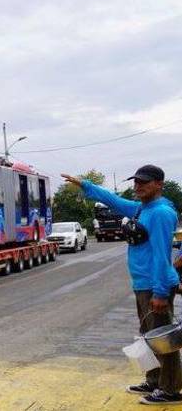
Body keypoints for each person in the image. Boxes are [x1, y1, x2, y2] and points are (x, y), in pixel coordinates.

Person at [62, 165, 181, 405]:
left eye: (144, 182)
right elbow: (114, 200)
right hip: (143, 284)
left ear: (159, 184)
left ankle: (170, 390)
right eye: (136, 182)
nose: (138, 186)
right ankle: (155, 380)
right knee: (149, 336)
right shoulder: (142, 208)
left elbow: (161, 255)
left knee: (164, 340)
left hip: (154, 285)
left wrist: (159, 292)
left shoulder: (160, 213)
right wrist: (86, 185)